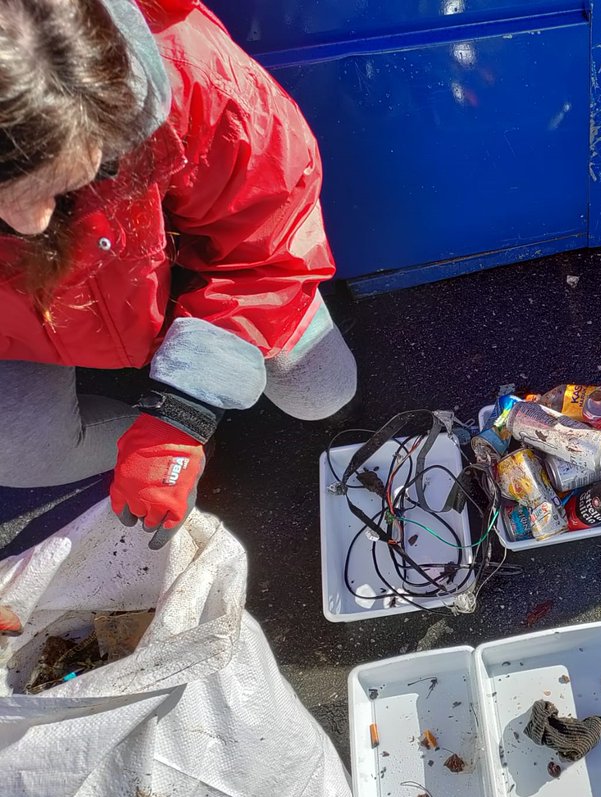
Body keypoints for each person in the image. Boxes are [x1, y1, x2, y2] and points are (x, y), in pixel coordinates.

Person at [0, 0, 357, 544]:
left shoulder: (194, 74)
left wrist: (180, 414)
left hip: (180, 275)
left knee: (322, 391)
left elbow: (269, 247)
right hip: (28, 327)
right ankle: (150, 442)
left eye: (58, 182)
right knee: (17, 451)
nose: (33, 221)